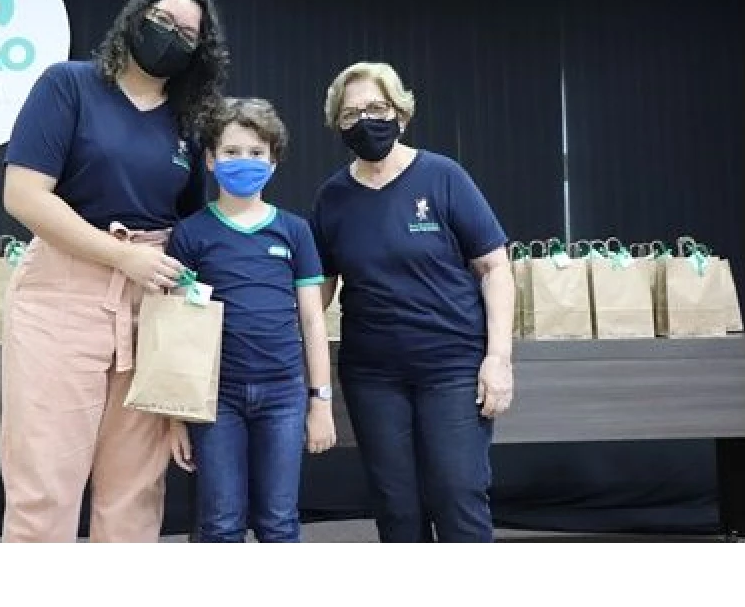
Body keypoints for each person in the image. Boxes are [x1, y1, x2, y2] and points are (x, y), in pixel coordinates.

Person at [0, 0, 228, 542]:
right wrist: (121, 256)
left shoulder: (188, 124)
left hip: (150, 300)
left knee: (135, 491)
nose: (171, 35)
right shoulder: (69, 85)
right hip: (61, 293)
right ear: (135, 17)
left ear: (200, 52)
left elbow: (191, 224)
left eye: (187, 33)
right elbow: (24, 196)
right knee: (44, 483)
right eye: (163, 20)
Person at [309, 61, 514, 543]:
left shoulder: (443, 177)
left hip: (451, 367)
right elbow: (318, 290)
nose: (365, 120)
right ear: (338, 125)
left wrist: (499, 359)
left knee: (457, 494)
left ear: (400, 113)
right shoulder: (333, 198)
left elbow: (495, 268)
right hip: (373, 376)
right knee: (396, 507)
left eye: (376, 108)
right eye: (351, 113)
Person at [166, 97, 337, 542]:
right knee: (220, 523)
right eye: (232, 151)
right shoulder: (191, 234)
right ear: (210, 159)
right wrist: (175, 417)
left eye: (256, 152)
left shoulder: (295, 231)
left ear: (273, 161)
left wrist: (320, 401)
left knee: (279, 521)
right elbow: (178, 330)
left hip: (283, 395)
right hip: (216, 399)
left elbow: (313, 321)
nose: (244, 161)